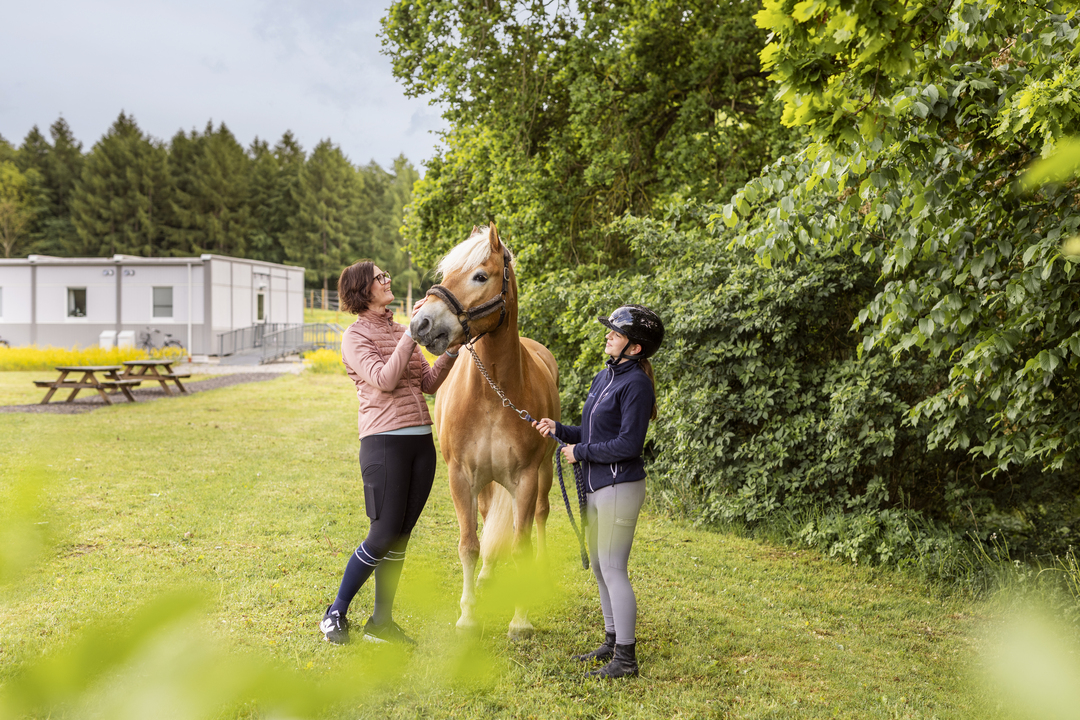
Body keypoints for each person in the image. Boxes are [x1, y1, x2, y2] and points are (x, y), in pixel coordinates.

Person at [319, 261, 459, 645]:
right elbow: (383, 380)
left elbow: (427, 383)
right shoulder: (355, 337)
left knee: (400, 537)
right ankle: (335, 612)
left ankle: (381, 623)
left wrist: (452, 352)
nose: (387, 280)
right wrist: (411, 336)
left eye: (386, 276)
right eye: (380, 278)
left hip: (420, 443)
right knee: (381, 535)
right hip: (384, 443)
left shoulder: (400, 331)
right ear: (364, 290)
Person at [532, 304, 664, 679]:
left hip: (619, 486)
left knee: (613, 568)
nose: (607, 336)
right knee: (601, 569)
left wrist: (580, 452)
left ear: (634, 348)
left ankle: (626, 659)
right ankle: (612, 640)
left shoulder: (635, 384)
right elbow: (593, 433)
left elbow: (628, 445)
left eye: (615, 334)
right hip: (598, 486)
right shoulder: (605, 377)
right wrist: (560, 429)